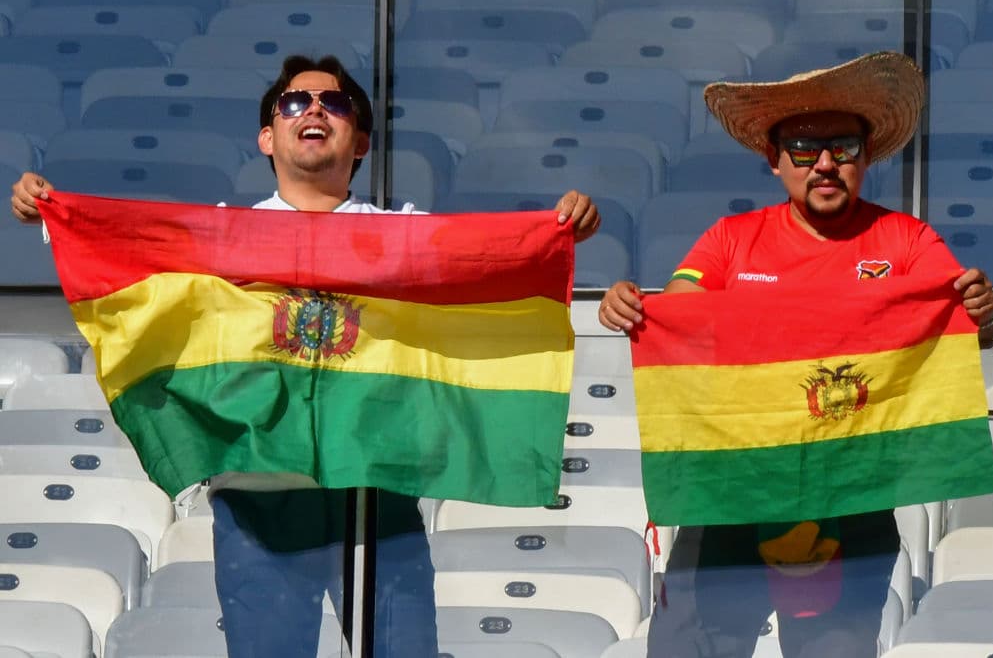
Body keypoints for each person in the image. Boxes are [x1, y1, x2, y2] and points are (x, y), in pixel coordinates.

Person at [11, 54, 601, 658]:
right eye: (295, 103)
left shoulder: (405, 234)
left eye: (335, 103)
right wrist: (55, 215)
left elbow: (489, 263)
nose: (315, 109)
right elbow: (130, 250)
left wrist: (557, 232)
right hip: (259, 501)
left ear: (361, 140)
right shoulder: (221, 235)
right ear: (267, 136)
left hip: (378, 498)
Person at [599, 51, 993, 657]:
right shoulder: (731, 240)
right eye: (805, 149)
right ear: (775, 160)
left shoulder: (909, 241)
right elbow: (678, 313)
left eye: (843, 145)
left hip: (854, 494)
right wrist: (633, 307)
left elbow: (965, 326)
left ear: (866, 154)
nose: (826, 164)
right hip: (732, 493)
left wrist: (984, 313)